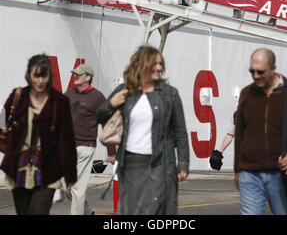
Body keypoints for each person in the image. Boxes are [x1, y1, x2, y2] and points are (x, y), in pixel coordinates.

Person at [96, 45, 189, 215]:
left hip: (159, 163)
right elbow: (99, 116)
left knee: (155, 211)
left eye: (161, 64)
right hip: (130, 163)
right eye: (155, 63)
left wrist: (183, 164)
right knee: (131, 211)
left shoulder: (170, 94)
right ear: (142, 64)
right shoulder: (125, 91)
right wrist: (111, 104)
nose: (159, 67)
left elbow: (180, 131)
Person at [0, 54, 77, 215]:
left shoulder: (59, 101)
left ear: (49, 76)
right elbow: (2, 122)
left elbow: (66, 139)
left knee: (38, 211)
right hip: (19, 167)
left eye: (44, 76)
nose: (40, 81)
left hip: (47, 169)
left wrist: (70, 174)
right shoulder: (18, 96)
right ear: (29, 75)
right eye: (36, 75)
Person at [234, 48, 287, 215]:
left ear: (273, 67)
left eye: (261, 72)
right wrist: (237, 169)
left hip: (282, 175)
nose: (256, 76)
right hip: (250, 173)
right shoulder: (247, 94)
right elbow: (240, 133)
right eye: (252, 71)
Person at [64, 63, 116, 215]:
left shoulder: (98, 97)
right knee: (65, 187)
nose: (75, 75)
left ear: (88, 77)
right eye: (75, 73)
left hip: (85, 147)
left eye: (78, 74)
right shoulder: (69, 93)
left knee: (77, 189)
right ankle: (87, 211)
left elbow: (108, 125)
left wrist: (111, 151)